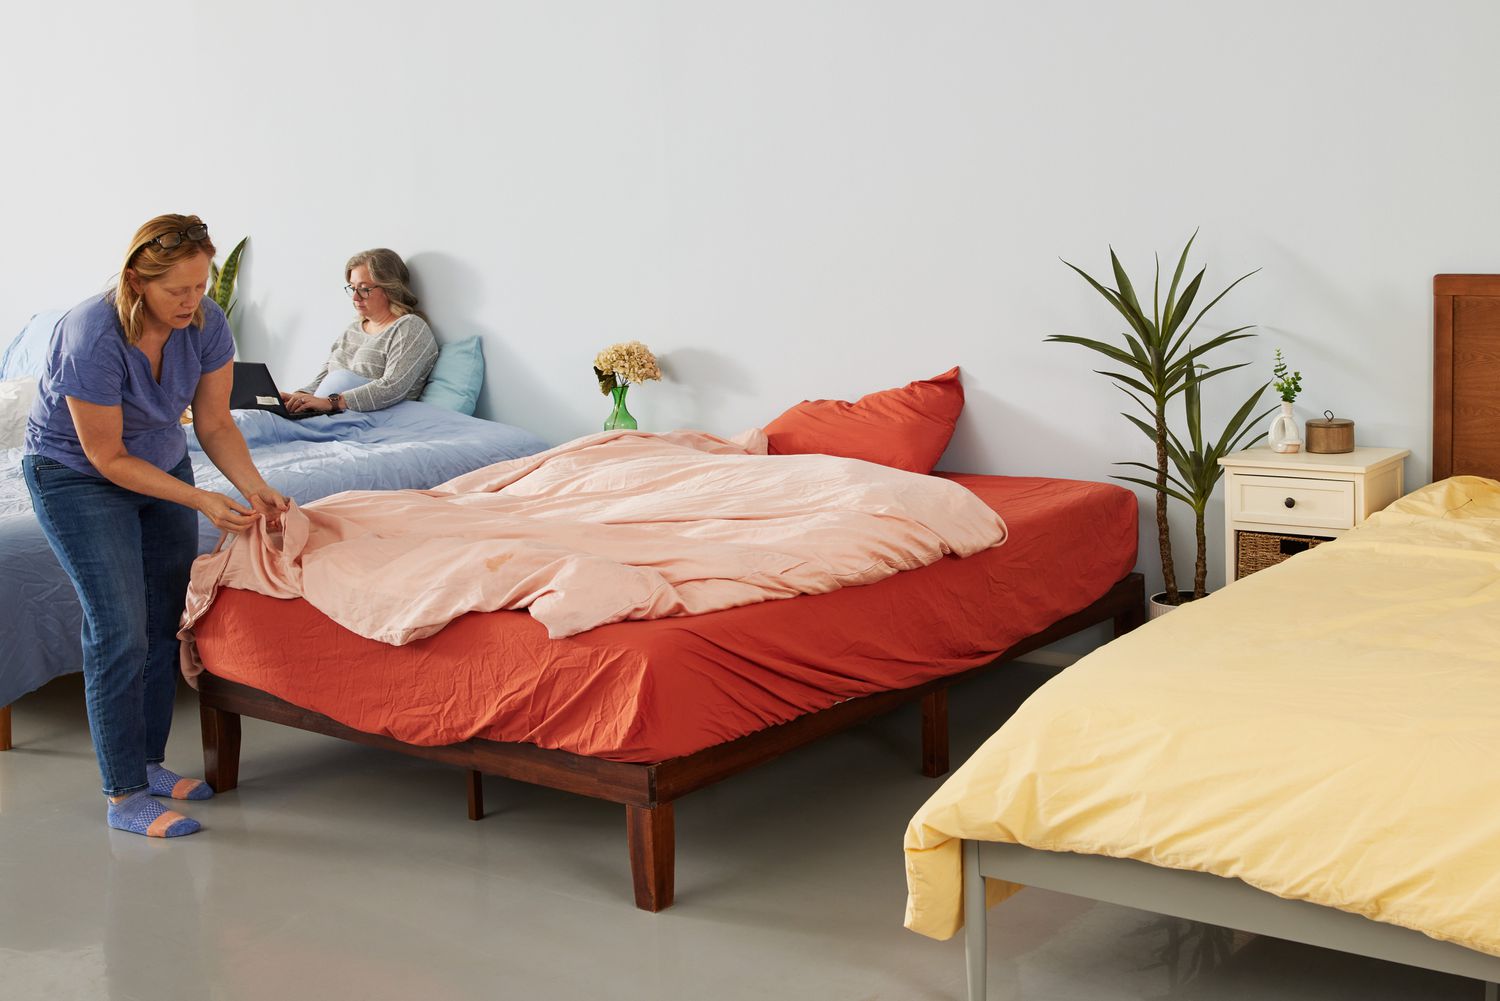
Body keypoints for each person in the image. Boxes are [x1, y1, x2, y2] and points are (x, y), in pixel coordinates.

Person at [22, 213, 289, 839]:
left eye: (201, 287)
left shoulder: (206, 322)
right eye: (178, 290)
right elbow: (106, 458)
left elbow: (216, 423)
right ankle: (124, 793)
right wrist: (201, 502)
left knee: (165, 617)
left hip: (161, 461)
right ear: (139, 281)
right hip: (77, 478)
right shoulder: (91, 333)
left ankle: (148, 761)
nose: (192, 302)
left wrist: (255, 488)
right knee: (117, 629)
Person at [280, 248, 439, 415]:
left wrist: (332, 402)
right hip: (329, 413)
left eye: (364, 289)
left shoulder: (410, 327)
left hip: (371, 418)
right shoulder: (352, 330)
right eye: (352, 288)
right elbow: (323, 377)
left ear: (390, 288)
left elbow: (392, 387)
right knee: (257, 416)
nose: (355, 298)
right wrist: (299, 397)